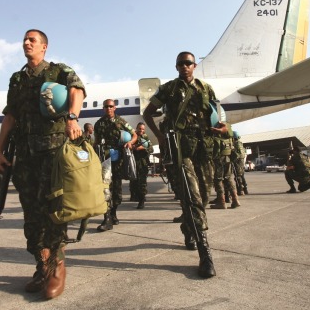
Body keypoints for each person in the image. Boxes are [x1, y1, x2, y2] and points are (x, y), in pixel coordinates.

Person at [0, 29, 85, 300]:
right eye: (24, 40)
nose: (26, 43)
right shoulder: (17, 79)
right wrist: (0, 149)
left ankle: (57, 267)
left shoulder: (58, 71)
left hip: (52, 152)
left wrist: (71, 117)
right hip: (24, 154)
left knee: (53, 209)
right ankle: (42, 265)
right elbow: (10, 115)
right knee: (31, 213)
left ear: (44, 47)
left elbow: (77, 91)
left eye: (32, 40)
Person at [143, 51, 217, 279]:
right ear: (176, 67)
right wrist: (160, 137)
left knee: (204, 196)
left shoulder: (205, 88)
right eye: (180, 63)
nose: (184, 66)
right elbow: (148, 113)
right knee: (192, 196)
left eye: (188, 63)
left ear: (194, 65)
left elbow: (215, 115)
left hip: (203, 148)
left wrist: (222, 128)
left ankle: (188, 227)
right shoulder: (169, 89)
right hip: (181, 148)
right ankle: (205, 254)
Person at [93, 99, 137, 231]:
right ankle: (107, 218)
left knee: (117, 190)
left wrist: (130, 143)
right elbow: (96, 142)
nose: (108, 108)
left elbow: (134, 135)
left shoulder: (121, 121)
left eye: (111, 106)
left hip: (118, 159)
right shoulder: (99, 123)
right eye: (106, 106)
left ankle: (113, 213)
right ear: (103, 108)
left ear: (115, 108)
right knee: (106, 188)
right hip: (105, 159)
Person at [210, 121, 240, 209]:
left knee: (218, 179)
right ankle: (235, 199)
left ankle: (221, 202)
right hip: (228, 156)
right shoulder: (229, 132)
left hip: (219, 158)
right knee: (228, 178)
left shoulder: (216, 131)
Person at [132, 122, 154, 209]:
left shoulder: (145, 137)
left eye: (143, 129)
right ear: (136, 128)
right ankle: (136, 196)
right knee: (134, 182)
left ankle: (141, 200)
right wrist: (133, 148)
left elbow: (151, 149)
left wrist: (143, 148)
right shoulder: (133, 137)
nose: (141, 130)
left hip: (143, 163)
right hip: (133, 162)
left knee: (142, 183)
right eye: (140, 129)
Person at [231, 130, 248, 195]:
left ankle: (240, 190)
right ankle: (245, 189)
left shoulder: (235, 144)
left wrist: (233, 159)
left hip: (237, 161)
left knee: (238, 176)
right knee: (242, 175)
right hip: (241, 160)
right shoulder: (240, 143)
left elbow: (236, 154)